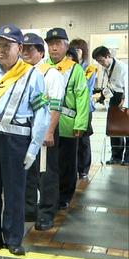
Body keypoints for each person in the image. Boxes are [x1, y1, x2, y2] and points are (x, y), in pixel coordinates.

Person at [0, 25, 49, 256]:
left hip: (17, 139)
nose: (1, 50)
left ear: (20, 48)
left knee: (15, 191)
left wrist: (34, 148)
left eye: (7, 45)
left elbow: (41, 115)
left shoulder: (33, 76)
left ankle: (14, 238)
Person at [21, 33, 65, 231]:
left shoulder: (51, 74)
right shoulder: (20, 73)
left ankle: (47, 213)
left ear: (40, 52)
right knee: (27, 171)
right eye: (23, 49)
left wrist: (48, 132)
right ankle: (29, 209)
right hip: (24, 131)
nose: (26, 53)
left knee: (46, 174)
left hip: (44, 131)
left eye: (31, 49)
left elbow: (56, 105)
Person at [45, 28, 89, 209]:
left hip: (67, 124)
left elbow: (82, 97)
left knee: (67, 164)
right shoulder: (42, 67)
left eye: (58, 44)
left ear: (66, 46)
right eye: (50, 44)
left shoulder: (76, 69)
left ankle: (64, 196)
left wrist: (80, 123)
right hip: (45, 124)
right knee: (48, 165)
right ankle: (48, 195)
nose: (54, 48)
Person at [92, 46, 128, 165]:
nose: (101, 63)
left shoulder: (121, 67)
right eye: (98, 61)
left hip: (123, 97)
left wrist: (124, 100)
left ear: (108, 56)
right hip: (113, 96)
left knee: (126, 129)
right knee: (114, 127)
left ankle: (127, 157)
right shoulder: (106, 67)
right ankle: (116, 156)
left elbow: (126, 86)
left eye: (102, 60)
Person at [70, 39, 96, 180]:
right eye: (73, 49)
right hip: (69, 109)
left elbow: (85, 87)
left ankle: (84, 168)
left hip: (86, 108)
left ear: (84, 52)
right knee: (72, 139)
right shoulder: (67, 67)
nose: (75, 53)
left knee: (84, 140)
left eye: (78, 50)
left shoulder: (89, 68)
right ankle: (73, 167)